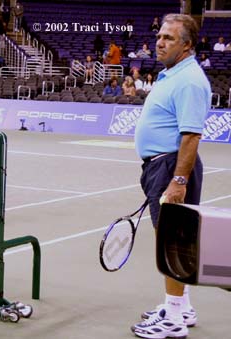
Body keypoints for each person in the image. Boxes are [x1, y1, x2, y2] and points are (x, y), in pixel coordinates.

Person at [132, 13, 211, 339]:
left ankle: (173, 320)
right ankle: (182, 307)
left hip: (172, 168)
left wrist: (178, 181)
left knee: (172, 243)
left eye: (169, 38)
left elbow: (191, 136)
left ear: (187, 45)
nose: (160, 42)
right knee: (173, 241)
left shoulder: (190, 80)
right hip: (160, 166)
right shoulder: (172, 75)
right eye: (160, 36)